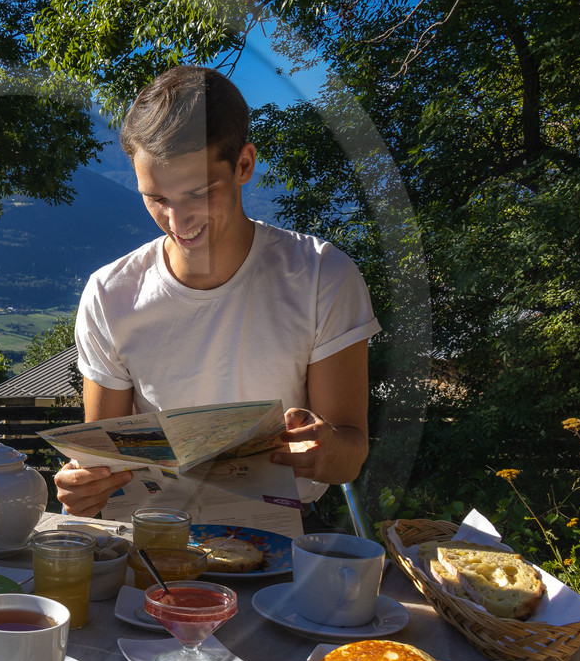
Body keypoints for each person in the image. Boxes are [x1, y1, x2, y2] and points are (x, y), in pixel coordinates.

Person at [55, 66, 380, 519]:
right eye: (157, 198)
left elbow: (350, 453)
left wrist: (325, 452)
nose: (177, 221)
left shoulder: (321, 274)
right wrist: (84, 487)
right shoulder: (111, 293)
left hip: (285, 530)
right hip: (156, 531)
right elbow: (106, 465)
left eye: (198, 193)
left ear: (244, 164)